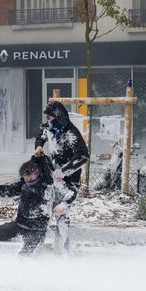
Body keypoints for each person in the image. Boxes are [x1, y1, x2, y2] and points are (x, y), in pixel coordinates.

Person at [34, 101, 89, 252]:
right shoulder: (51, 128)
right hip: (53, 179)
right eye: (46, 117)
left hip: (68, 182)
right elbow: (42, 134)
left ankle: (63, 251)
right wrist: (39, 145)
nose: (47, 120)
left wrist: (64, 171)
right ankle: (40, 247)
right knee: (46, 212)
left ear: (58, 116)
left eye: (50, 117)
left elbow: (83, 156)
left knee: (62, 216)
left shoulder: (71, 133)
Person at [0, 156, 53, 255]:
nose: (28, 179)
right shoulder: (23, 185)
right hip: (19, 226)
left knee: (24, 257)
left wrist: (40, 156)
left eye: (30, 176)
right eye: (25, 177)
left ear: (38, 173)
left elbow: (45, 168)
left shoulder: (46, 184)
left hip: (37, 231)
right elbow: (2, 191)